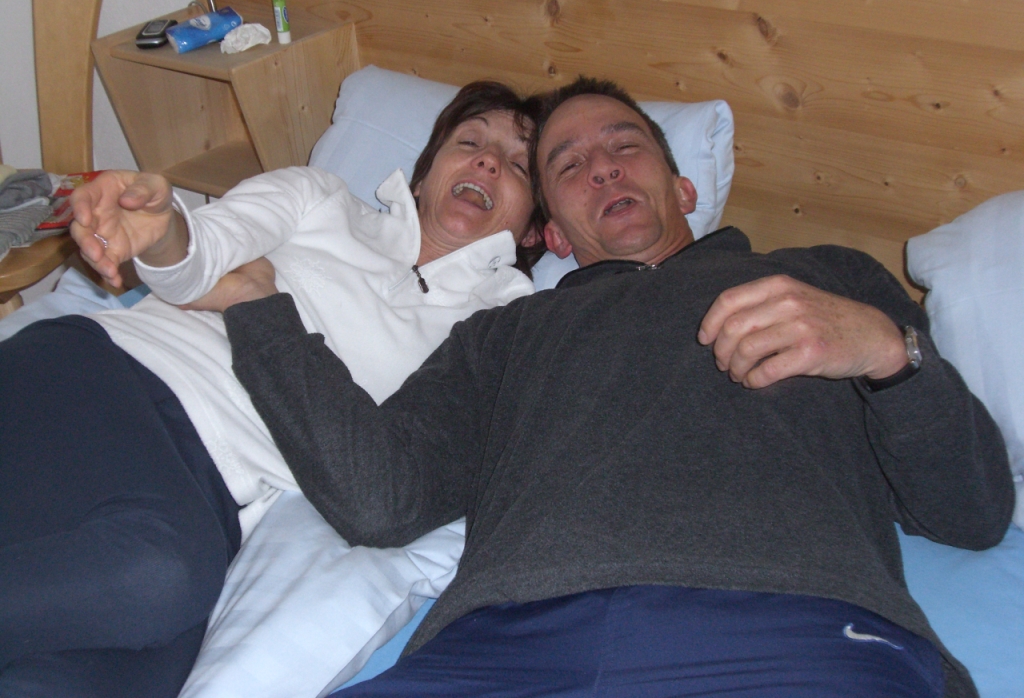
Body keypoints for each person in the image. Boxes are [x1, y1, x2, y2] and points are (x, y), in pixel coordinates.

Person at [217, 77, 1014, 698]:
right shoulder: (505, 333)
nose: (601, 167)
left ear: (684, 189)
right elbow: (379, 497)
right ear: (553, 235)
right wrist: (258, 309)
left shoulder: (824, 280)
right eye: (568, 166)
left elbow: (973, 512)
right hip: (508, 643)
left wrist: (889, 352)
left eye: (625, 146)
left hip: (792, 627)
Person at [0, 81, 547, 698]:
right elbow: (202, 254)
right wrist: (164, 230)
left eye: (517, 166)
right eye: (469, 142)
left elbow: (383, 484)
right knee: (156, 576)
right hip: (105, 376)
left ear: (533, 230)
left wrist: (256, 299)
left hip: (210, 495)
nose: (488, 161)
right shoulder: (322, 199)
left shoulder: (502, 331)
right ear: (422, 177)